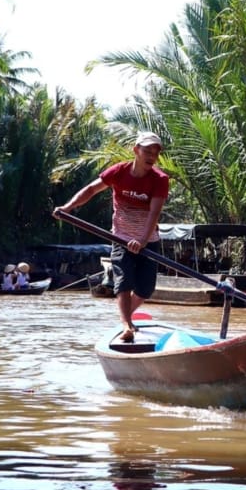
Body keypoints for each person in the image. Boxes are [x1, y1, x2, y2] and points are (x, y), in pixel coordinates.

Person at [54, 131, 170, 342]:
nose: (151, 156)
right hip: (121, 238)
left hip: (148, 240)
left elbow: (154, 213)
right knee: (123, 281)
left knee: (146, 288)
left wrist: (142, 241)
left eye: (155, 152)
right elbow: (91, 189)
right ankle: (127, 325)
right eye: (147, 151)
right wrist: (68, 207)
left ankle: (124, 317)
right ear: (136, 150)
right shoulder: (119, 172)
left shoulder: (160, 180)